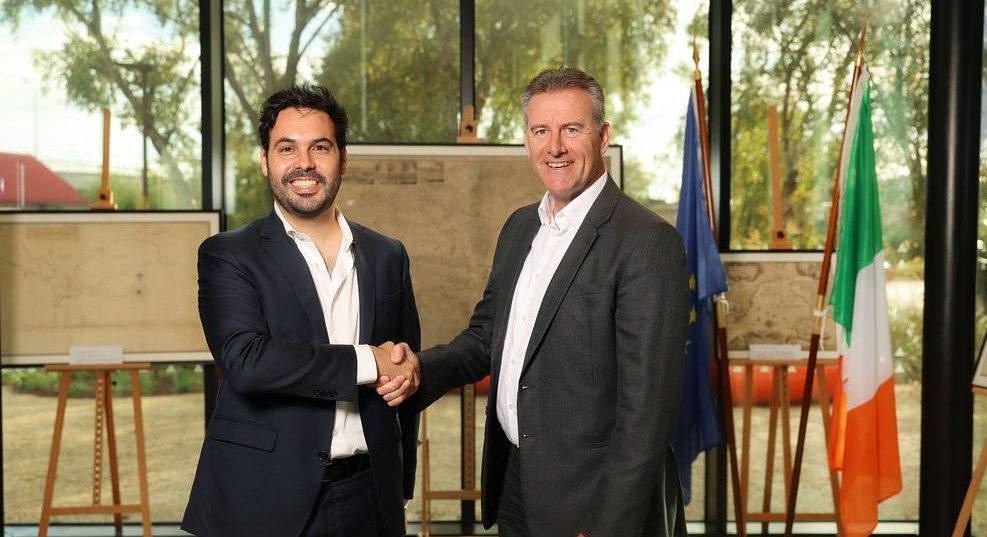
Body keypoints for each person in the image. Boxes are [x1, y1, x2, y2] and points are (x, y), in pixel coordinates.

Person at [380, 67, 690, 536]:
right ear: (527, 140)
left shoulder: (647, 241)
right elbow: (487, 337)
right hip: (517, 482)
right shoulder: (520, 227)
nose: (555, 147)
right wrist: (419, 368)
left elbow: (646, 414)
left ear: (603, 136)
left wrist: (609, 527)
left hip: (591, 501)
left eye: (572, 129)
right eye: (541, 130)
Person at [182, 83, 421, 537]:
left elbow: (403, 369)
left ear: (343, 159)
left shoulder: (388, 255)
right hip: (263, 499)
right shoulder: (228, 254)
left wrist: (399, 490)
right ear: (265, 160)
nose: (304, 163)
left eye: (320, 147)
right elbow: (247, 362)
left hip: (370, 497)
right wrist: (368, 360)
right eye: (287, 148)